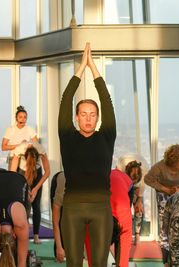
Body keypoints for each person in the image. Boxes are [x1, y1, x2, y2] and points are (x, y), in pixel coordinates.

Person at [58, 42, 116, 267]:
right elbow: (65, 102)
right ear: (76, 117)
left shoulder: (106, 135)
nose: (88, 118)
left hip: (101, 208)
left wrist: (95, 70)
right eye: (83, 114)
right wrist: (80, 69)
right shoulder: (67, 135)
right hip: (72, 208)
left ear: (98, 117)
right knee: (74, 263)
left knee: (99, 264)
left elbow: (107, 103)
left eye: (92, 114)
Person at [51, 170, 133, 267]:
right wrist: (59, 247)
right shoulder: (90, 222)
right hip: (100, 188)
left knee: (121, 248)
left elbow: (125, 245)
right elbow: (56, 221)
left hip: (124, 185)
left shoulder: (125, 219)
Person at [144, 144, 179, 266]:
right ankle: (166, 257)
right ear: (174, 162)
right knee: (165, 225)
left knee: (177, 224)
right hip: (164, 194)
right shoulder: (159, 167)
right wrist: (165, 189)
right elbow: (148, 179)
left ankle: (178, 251)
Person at [9, 142, 50, 244]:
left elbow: (47, 171)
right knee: (23, 205)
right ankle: (22, 234)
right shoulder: (19, 151)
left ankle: (36, 236)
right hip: (22, 173)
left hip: (37, 173)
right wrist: (26, 190)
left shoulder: (41, 150)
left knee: (36, 205)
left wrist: (35, 189)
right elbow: (12, 173)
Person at [116, 153, 149, 244]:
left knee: (138, 207)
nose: (132, 183)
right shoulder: (121, 168)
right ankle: (122, 233)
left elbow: (143, 185)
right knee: (123, 208)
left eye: (134, 181)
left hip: (139, 184)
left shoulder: (145, 170)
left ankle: (137, 234)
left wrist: (139, 200)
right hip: (123, 183)